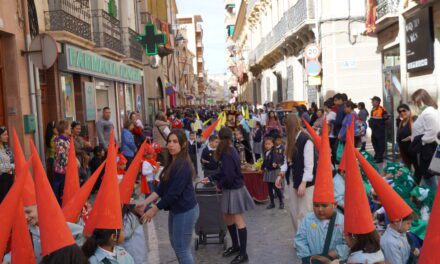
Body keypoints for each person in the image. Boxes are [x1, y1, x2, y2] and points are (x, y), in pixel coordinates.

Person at [137, 129, 199, 264]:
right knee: (176, 245)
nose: (171, 144)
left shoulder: (183, 164)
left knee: (182, 249)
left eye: (175, 142)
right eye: (169, 141)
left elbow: (173, 193)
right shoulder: (172, 161)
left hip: (186, 210)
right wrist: (145, 202)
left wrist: (153, 210)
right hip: (177, 210)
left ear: (183, 144)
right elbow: (161, 188)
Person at [202, 127, 255, 264]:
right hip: (230, 188)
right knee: (228, 218)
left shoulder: (228, 152)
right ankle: (236, 246)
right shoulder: (228, 151)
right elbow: (224, 172)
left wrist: (218, 184)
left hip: (234, 189)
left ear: (221, 139)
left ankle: (243, 254)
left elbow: (229, 176)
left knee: (238, 220)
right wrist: (212, 178)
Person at [276, 114, 315, 238]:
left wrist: (303, 183)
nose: (284, 129)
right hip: (292, 181)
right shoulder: (290, 140)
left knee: (305, 212)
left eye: (285, 126)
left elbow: (309, 165)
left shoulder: (306, 140)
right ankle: (299, 238)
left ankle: (307, 239)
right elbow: (287, 160)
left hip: (305, 183)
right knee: (294, 212)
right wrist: (281, 174)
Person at [410, 89, 440, 189]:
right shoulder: (427, 111)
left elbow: (433, 131)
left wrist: (421, 142)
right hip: (425, 148)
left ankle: (433, 202)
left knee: (429, 177)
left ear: (422, 99)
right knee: (428, 177)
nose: (415, 104)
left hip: (426, 149)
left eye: (416, 102)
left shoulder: (429, 112)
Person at [262, 137, 284, 209]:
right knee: (269, 189)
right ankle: (272, 203)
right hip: (268, 171)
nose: (267, 145)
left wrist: (274, 162)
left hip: (274, 172)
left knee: (276, 188)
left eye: (269, 144)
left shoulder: (274, 152)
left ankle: (281, 202)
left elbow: (275, 158)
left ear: (272, 145)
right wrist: (262, 167)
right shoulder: (265, 153)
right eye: (266, 144)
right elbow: (265, 162)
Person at [53, 120, 71, 205]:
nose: (70, 128)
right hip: (61, 170)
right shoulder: (60, 141)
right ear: (64, 130)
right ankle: (60, 205)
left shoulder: (67, 140)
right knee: (61, 189)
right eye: (68, 127)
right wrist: (70, 163)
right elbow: (62, 156)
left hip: (67, 169)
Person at [368, 96, 389, 163]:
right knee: (374, 142)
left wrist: (380, 124)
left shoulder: (382, 109)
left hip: (379, 130)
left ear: (377, 102)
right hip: (374, 130)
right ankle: (377, 155)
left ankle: (380, 158)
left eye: (373, 101)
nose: (372, 102)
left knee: (380, 144)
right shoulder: (373, 109)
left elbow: (386, 118)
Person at [396, 104, 415, 169]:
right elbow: (399, 136)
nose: (402, 113)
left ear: (409, 111)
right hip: (404, 151)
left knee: (417, 170)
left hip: (413, 150)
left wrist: (410, 137)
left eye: (404, 110)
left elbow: (419, 134)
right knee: (407, 170)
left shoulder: (414, 120)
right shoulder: (401, 122)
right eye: (400, 112)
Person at [0, 126, 13, 203]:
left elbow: (12, 160)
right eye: (4, 135)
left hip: (9, 178)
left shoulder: (7, 147)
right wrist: (12, 167)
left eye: (7, 134)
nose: (7, 136)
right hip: (1, 179)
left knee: (9, 201)